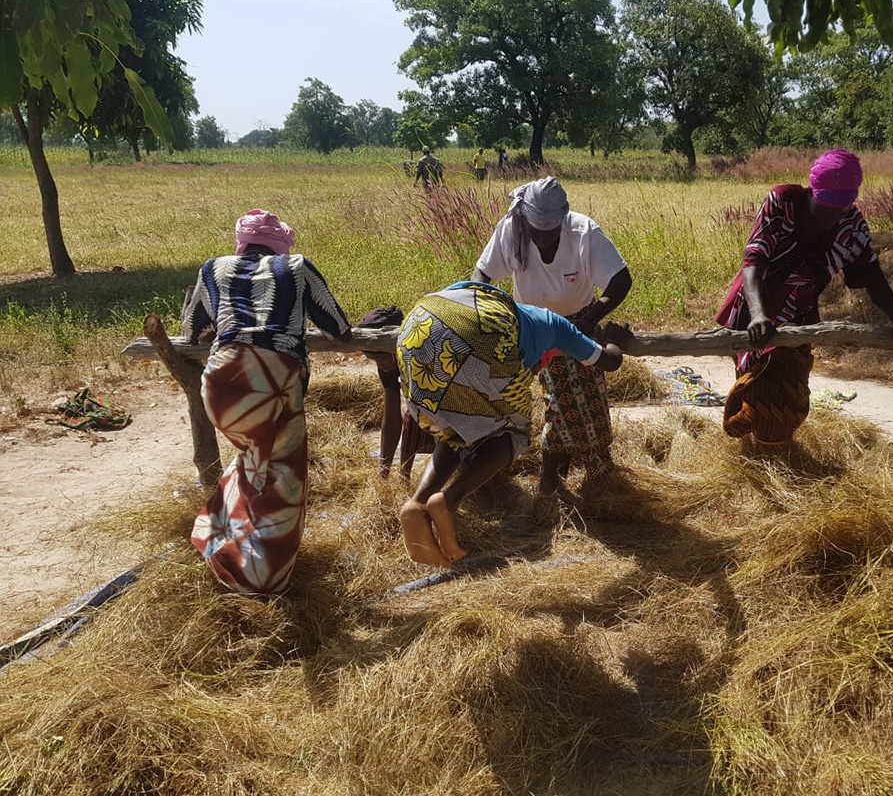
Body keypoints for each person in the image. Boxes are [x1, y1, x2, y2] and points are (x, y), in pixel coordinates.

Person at [397, 280, 626, 567]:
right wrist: (615, 338)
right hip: (482, 339)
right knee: (513, 433)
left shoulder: (510, 308)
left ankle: (418, 501)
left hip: (419, 326)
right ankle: (449, 500)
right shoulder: (558, 326)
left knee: (453, 426)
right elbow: (608, 361)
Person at [182, 209, 353, 594]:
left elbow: (192, 330)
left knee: (251, 464)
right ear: (282, 244)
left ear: (241, 242)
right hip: (273, 385)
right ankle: (257, 580)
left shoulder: (213, 268)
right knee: (281, 483)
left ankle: (216, 541)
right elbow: (338, 328)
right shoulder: (297, 266)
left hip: (222, 386)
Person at [715, 149, 893, 444]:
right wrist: (760, 315)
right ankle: (755, 454)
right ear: (812, 190)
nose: (830, 218)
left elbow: (872, 276)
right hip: (755, 309)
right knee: (759, 391)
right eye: (824, 208)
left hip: (798, 317)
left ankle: (774, 452)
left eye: (839, 210)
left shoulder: (850, 224)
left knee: (790, 397)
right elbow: (753, 262)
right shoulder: (782, 201)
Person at [472, 177, 633, 492]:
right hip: (530, 325)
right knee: (559, 400)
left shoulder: (584, 231)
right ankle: (571, 478)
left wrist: (589, 319)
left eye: (551, 232)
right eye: (536, 232)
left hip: (578, 321)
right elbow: (483, 275)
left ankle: (558, 481)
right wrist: (488, 316)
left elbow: (621, 279)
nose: (543, 240)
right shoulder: (511, 229)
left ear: (563, 221)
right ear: (526, 220)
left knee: (579, 403)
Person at [356, 307, 434, 479]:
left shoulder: (418, 355)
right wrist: (383, 474)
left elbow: (416, 413)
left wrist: (403, 476)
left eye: (380, 358)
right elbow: (391, 418)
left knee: (417, 415)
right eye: (374, 360)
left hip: (437, 402)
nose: (380, 364)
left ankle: (405, 479)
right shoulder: (387, 363)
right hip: (422, 406)